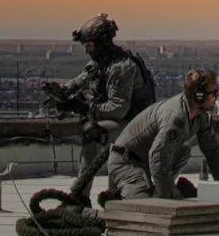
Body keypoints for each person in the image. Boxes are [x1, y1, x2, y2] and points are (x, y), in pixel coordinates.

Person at [45, 15, 157, 209]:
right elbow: (80, 81)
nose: (87, 51)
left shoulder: (121, 67)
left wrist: (85, 108)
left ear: (102, 43)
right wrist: (61, 94)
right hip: (127, 123)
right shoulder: (102, 62)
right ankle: (104, 194)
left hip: (137, 126)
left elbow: (118, 109)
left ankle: (81, 196)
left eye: (90, 46)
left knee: (94, 135)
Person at [99, 69, 219, 202]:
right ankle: (123, 196)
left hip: (146, 160)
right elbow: (158, 157)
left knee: (184, 151)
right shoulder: (176, 117)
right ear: (199, 95)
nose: (216, 97)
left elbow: (213, 152)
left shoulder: (201, 118)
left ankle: (157, 191)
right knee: (145, 208)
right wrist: (171, 197)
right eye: (214, 93)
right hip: (127, 162)